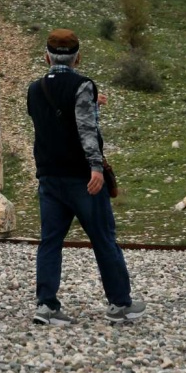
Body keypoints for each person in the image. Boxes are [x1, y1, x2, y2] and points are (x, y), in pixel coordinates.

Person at [26, 28, 146, 326]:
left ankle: (46, 305)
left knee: (50, 242)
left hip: (49, 177)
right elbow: (85, 130)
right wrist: (95, 166)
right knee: (104, 239)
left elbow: (51, 122)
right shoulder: (84, 85)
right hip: (82, 179)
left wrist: (92, 103)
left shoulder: (34, 88)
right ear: (78, 57)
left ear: (47, 57)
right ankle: (120, 304)